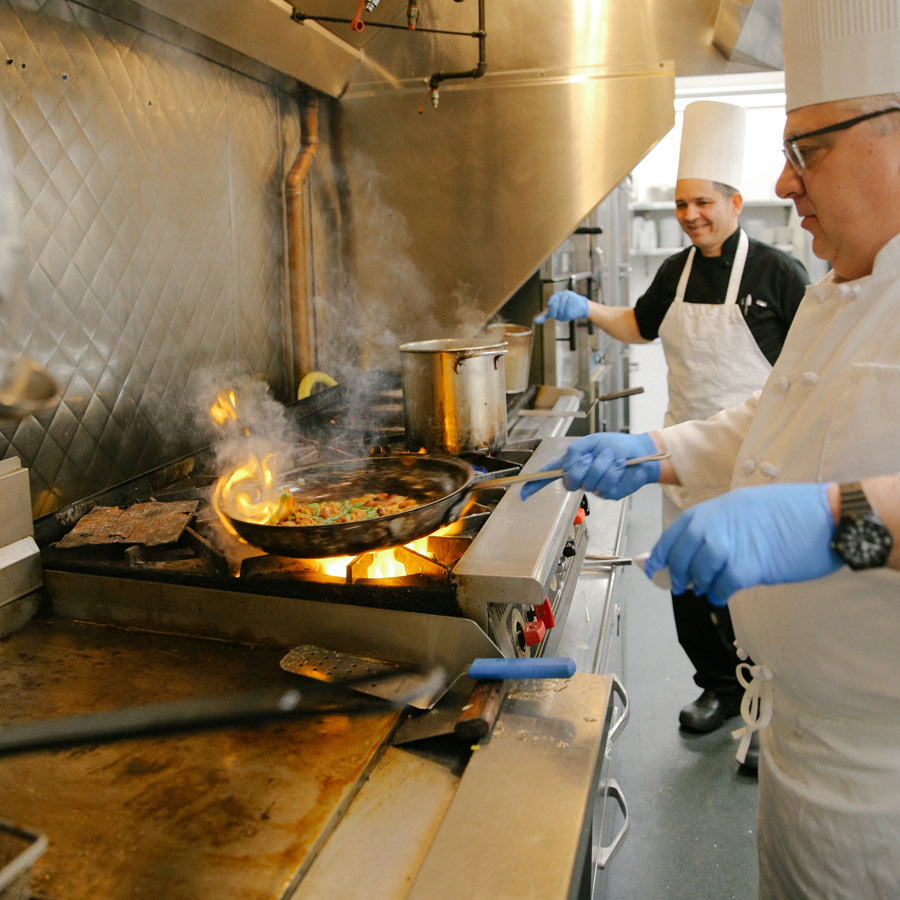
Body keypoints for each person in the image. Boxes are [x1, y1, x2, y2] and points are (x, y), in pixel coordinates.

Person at [525, 0, 900, 894]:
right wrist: (652, 450)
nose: (786, 180)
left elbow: (848, 502)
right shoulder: (841, 292)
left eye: (808, 148)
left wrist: (832, 519)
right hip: (799, 759)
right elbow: (765, 424)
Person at [536, 101, 809, 748]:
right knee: (690, 586)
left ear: (736, 203)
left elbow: (806, 379)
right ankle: (718, 687)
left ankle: (773, 714)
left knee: (757, 595)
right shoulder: (675, 271)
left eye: (703, 203)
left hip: (758, 460)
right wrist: (589, 308)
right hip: (679, 452)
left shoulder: (779, 273)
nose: (690, 216)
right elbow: (640, 325)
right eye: (683, 204)